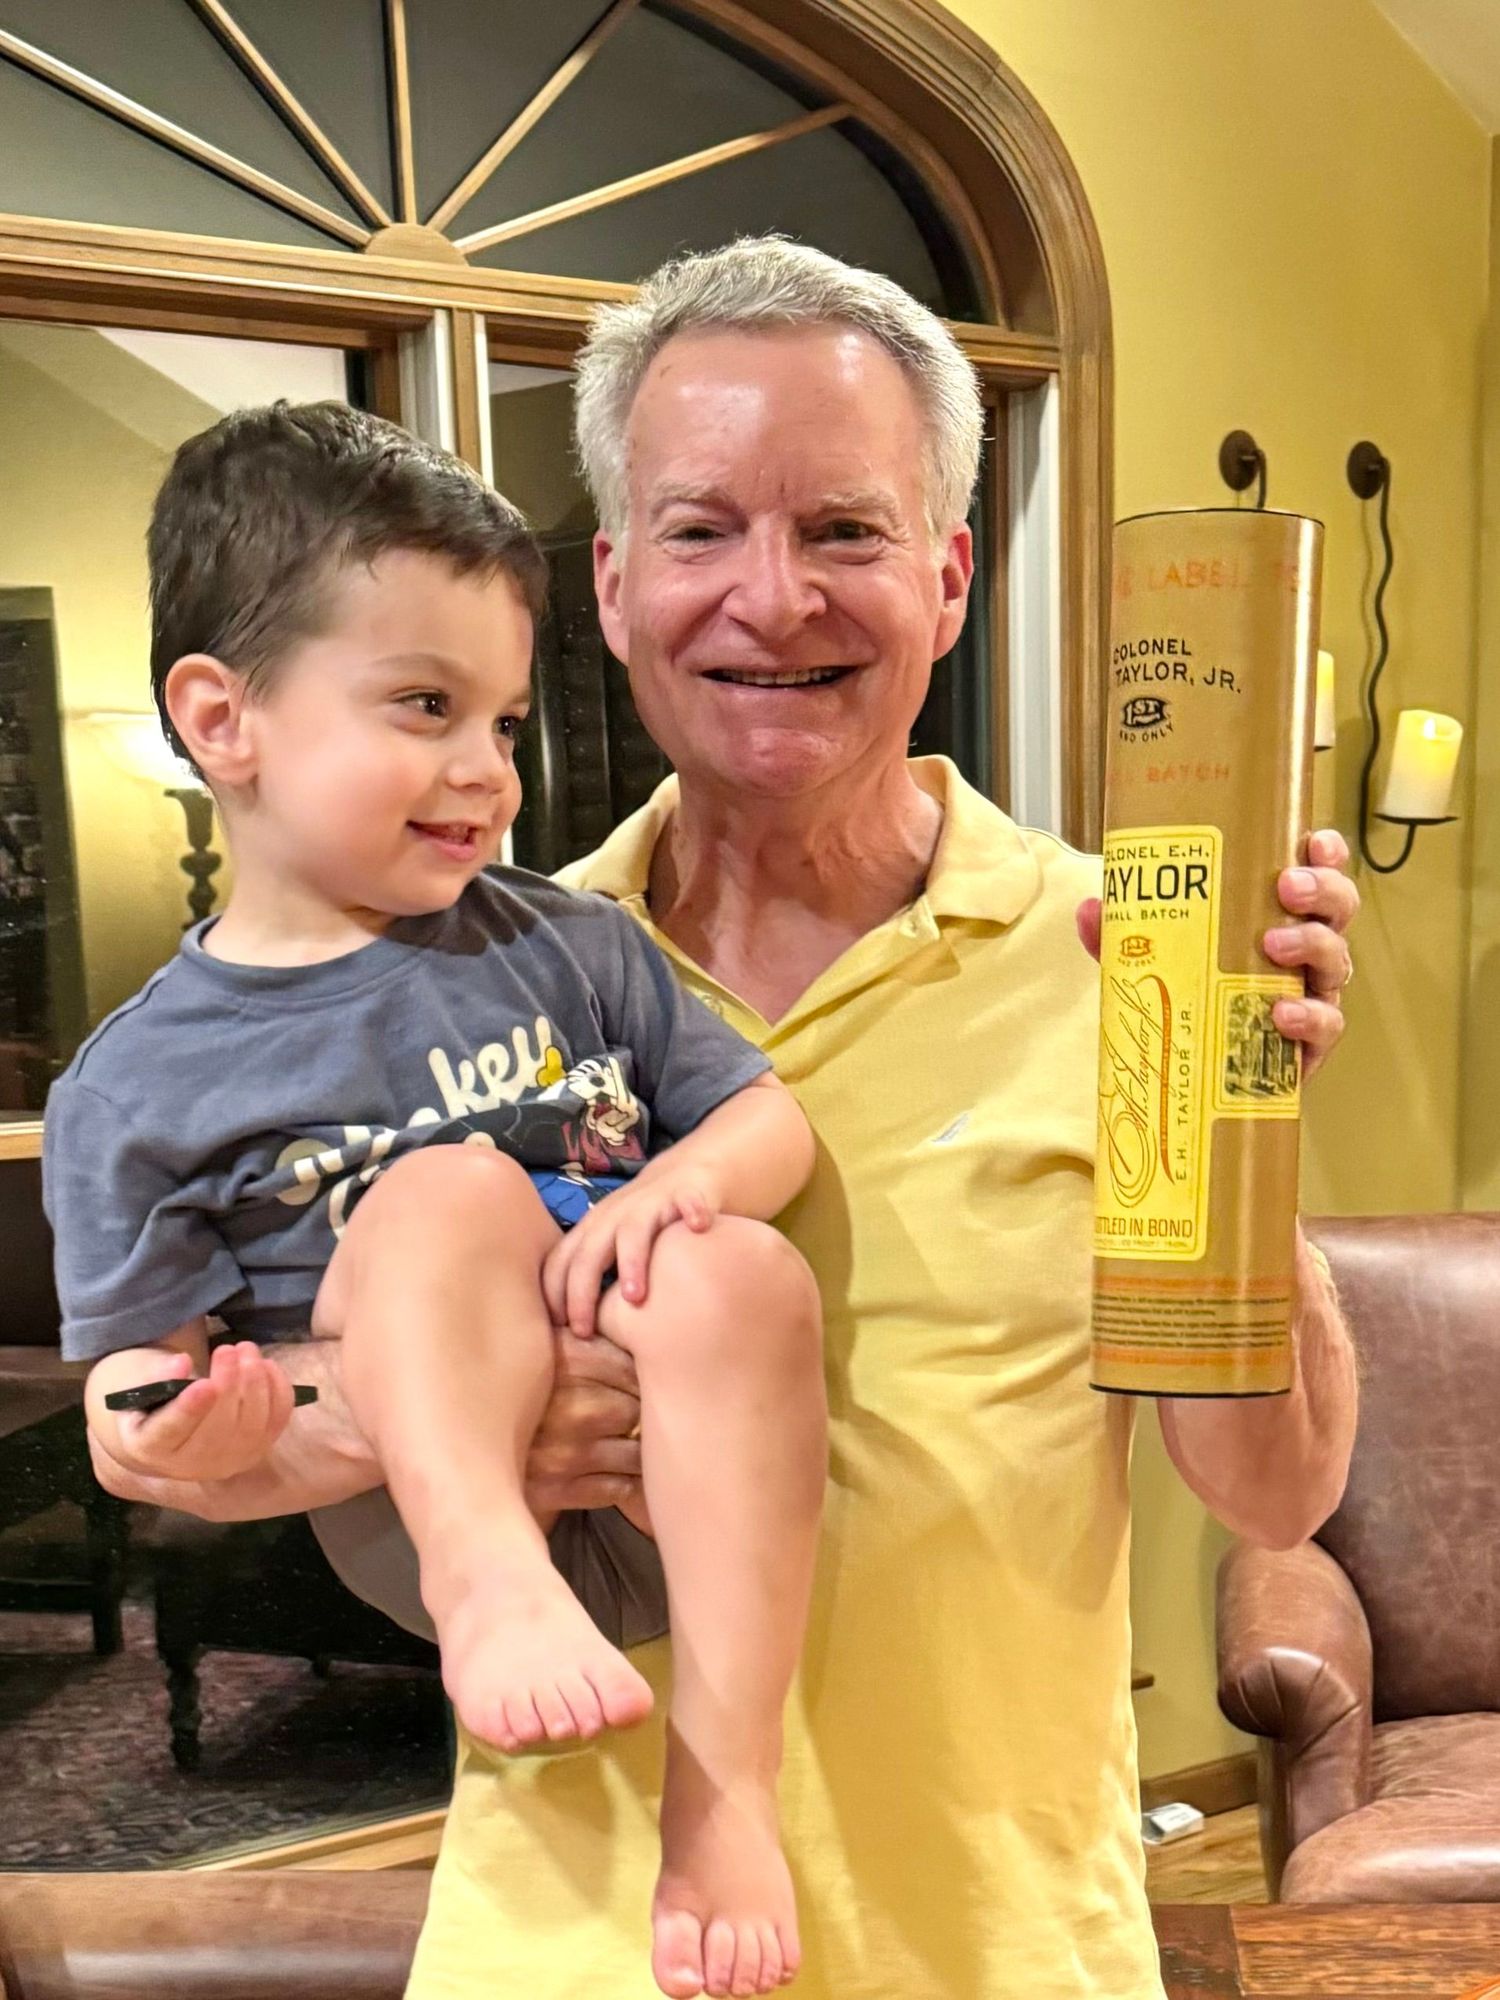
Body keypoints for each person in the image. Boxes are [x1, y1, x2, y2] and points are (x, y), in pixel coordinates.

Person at [84, 242, 1359, 2000]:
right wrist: (406, 1413)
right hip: (570, 1951)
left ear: (948, 577)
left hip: (995, 1954)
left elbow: (1276, 1491)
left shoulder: (1109, 959)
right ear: (612, 587)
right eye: (700, 531)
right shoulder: (463, 980)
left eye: (844, 530)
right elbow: (208, 1419)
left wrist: (1237, 1109)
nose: (773, 599)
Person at [41, 401, 827, 2000]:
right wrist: (173, 1426)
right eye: (423, 706)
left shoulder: (567, 943)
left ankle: (727, 1791)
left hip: (673, 1498)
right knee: (449, 1195)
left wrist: (677, 1192)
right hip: (428, 1525)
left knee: (744, 1268)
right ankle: (492, 1576)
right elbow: (136, 1384)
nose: (485, 773)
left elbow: (769, 1117)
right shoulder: (136, 1083)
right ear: (223, 719)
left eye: (504, 722)